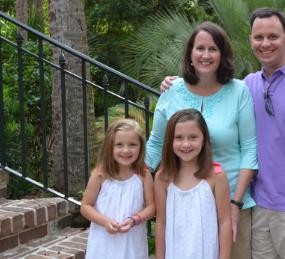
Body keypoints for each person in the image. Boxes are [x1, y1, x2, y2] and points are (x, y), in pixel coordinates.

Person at [161, 8, 285, 259]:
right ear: (251, 41)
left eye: (273, 36)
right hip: (259, 207)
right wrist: (174, 82)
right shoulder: (246, 86)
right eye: (258, 37)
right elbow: (209, 88)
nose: (265, 43)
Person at [146, 22, 257, 259]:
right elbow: (155, 144)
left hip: (232, 202)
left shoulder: (240, 91)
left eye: (213, 49)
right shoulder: (171, 90)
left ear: (222, 54)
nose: (206, 55)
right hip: (183, 205)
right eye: (200, 48)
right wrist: (132, 177)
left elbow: (249, 149)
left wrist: (235, 204)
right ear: (190, 54)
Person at [154, 109, 232, 259]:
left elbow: (225, 222)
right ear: (170, 141)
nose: (186, 144)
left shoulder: (217, 177)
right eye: (179, 138)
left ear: (204, 139)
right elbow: (161, 222)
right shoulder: (162, 177)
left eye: (193, 137)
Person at [81, 119, 155, 259]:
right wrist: (105, 221)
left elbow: (152, 207)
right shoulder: (100, 175)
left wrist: (134, 219)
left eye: (132, 145)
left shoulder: (143, 175)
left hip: (132, 241)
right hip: (104, 242)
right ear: (110, 147)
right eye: (119, 145)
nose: (126, 150)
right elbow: (85, 206)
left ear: (141, 147)